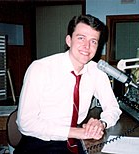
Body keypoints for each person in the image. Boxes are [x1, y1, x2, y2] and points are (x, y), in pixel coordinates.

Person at [14, 14, 122, 154]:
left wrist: (101, 123)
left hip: (76, 141)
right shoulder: (40, 68)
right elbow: (26, 123)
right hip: (39, 141)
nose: (87, 46)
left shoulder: (97, 72)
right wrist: (76, 132)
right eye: (81, 38)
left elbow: (113, 108)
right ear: (69, 40)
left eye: (93, 41)